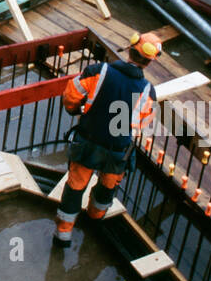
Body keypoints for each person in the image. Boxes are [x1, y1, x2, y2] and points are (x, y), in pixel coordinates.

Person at [54, 32, 161, 247]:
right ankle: (94, 220)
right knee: (107, 187)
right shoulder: (148, 92)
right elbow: (142, 123)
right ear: (149, 62)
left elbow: (71, 95)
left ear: (129, 50)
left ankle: (63, 234)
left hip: (88, 141)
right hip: (116, 149)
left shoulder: (99, 71)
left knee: (75, 186)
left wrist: (75, 110)